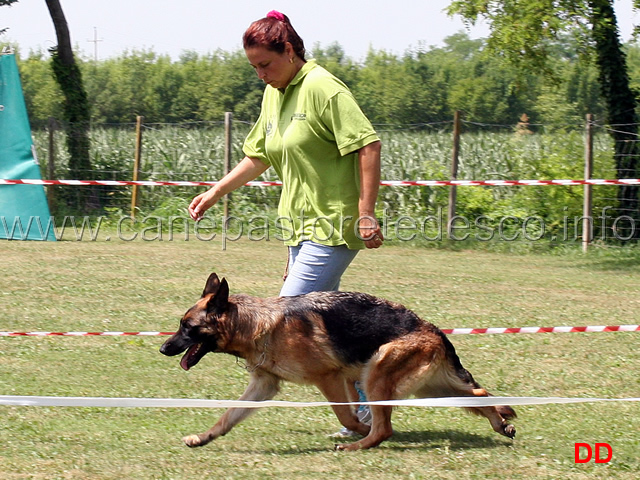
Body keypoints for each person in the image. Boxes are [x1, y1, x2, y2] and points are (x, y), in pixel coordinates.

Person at [188, 11, 382, 436]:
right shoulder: (275, 92)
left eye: (265, 64)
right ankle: (367, 409)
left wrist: (366, 212)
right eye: (254, 66)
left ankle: (362, 410)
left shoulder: (323, 88)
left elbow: (367, 145)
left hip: (333, 224)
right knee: (320, 331)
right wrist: (216, 191)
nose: (260, 74)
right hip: (298, 228)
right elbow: (260, 155)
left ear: (289, 50)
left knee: (284, 326)